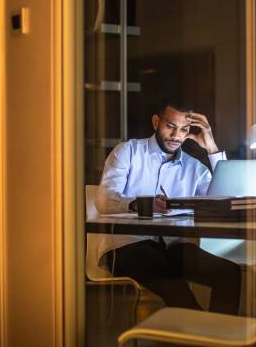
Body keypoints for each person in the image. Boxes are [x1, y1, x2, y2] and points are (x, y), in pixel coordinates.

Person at [95, 101, 242, 315]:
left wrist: (212, 148)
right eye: (170, 126)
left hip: (174, 248)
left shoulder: (196, 168)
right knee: (177, 286)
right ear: (156, 122)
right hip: (128, 246)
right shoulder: (128, 152)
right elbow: (104, 199)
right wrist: (141, 204)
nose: (176, 135)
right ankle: (206, 337)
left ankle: (217, 336)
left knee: (229, 273)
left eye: (184, 129)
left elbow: (226, 203)